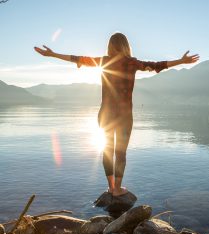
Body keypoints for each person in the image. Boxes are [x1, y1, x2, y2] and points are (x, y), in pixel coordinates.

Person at [34, 32, 199, 196]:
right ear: (126, 46)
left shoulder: (104, 61)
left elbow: (76, 58)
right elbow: (157, 65)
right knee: (121, 152)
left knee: (107, 150)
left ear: (110, 46)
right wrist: (181, 61)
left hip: (105, 114)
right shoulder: (132, 63)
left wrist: (52, 54)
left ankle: (111, 187)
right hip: (124, 115)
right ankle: (118, 190)